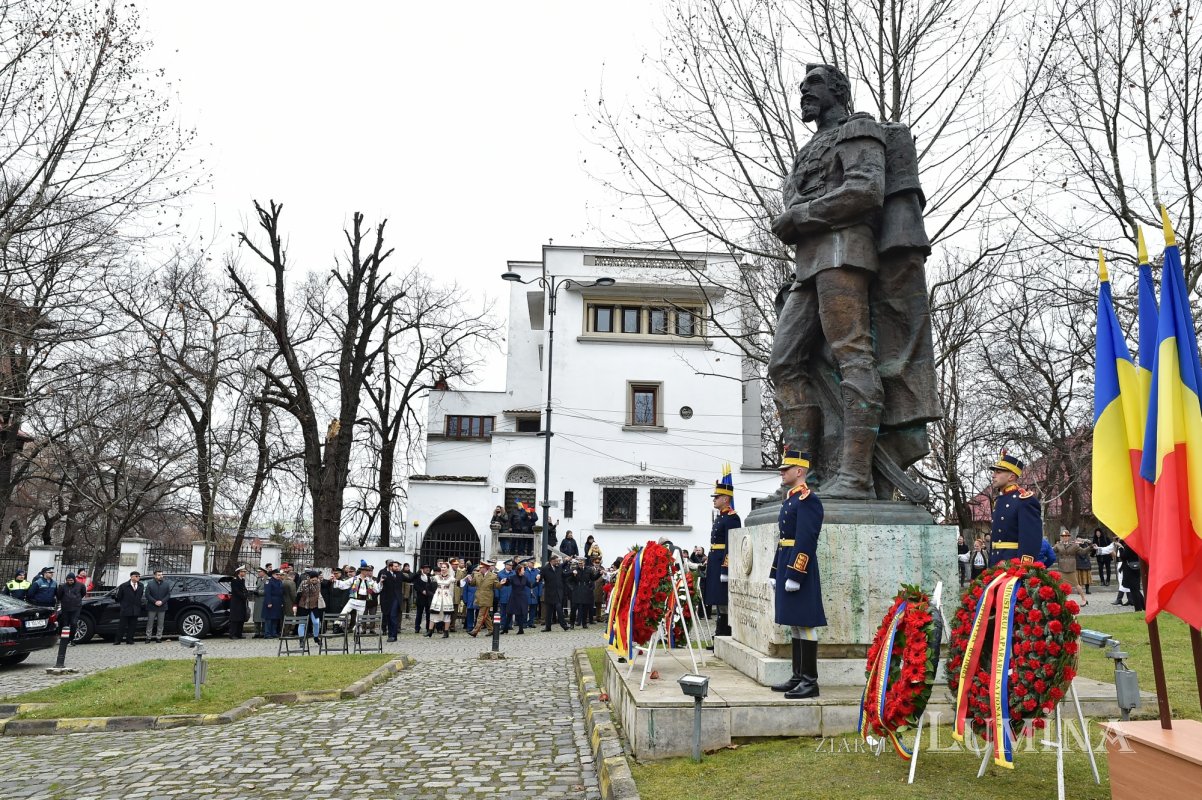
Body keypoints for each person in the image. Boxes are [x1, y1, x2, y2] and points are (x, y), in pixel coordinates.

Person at [769, 63, 938, 500]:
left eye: (814, 85)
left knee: (853, 357)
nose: (804, 92)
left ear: (838, 91)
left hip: (845, 255)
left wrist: (801, 215)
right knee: (784, 364)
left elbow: (865, 189)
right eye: (802, 85)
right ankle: (804, 475)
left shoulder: (858, 129)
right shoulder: (809, 147)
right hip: (809, 265)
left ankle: (856, 477)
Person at [769, 448, 826, 699]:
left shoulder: (808, 499)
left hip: (798, 568)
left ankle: (810, 681)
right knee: (793, 622)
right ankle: (797, 676)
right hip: (786, 564)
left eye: (786, 469)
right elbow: (784, 540)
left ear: (800, 471)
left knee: (806, 622)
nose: (782, 472)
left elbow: (806, 539)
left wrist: (796, 573)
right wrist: (775, 571)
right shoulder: (791, 499)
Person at [705, 466, 741, 640]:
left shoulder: (732, 518)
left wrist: (726, 568)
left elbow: (731, 545)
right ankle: (719, 634)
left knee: (724, 601)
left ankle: (724, 634)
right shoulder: (720, 517)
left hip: (722, 563)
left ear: (726, 499)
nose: (714, 500)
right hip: (714, 561)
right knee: (719, 601)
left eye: (717, 497)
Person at [987, 451, 1041, 566]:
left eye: (998, 472)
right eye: (994, 472)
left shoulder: (1024, 500)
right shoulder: (999, 500)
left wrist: (1024, 568)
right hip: (997, 562)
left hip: (1013, 564)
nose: (993, 475)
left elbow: (1030, 539)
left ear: (1011, 476)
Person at [1053, 529, 1090, 607]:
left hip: (1071, 568)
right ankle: (1061, 600)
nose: (1064, 537)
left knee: (1076, 585)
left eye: (1066, 536)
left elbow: (1082, 552)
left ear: (1069, 537)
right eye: (1063, 536)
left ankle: (1084, 599)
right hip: (1062, 568)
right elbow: (1051, 551)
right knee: (1060, 585)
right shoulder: (1058, 545)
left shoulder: (1074, 545)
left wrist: (1090, 547)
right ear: (1061, 537)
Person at [468, 560, 499, 637]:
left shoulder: (493, 576)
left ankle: (475, 631)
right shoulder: (477, 575)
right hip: (478, 597)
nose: (479, 569)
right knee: (486, 615)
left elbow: (497, 586)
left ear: (486, 568)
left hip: (487, 598)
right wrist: (470, 581)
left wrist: (502, 583)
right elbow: (472, 584)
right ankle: (491, 630)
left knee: (481, 615)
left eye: (481, 567)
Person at [378, 560, 406, 642]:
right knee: (389, 616)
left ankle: (393, 635)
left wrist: (418, 573)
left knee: (393, 616)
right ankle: (391, 635)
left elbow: (409, 579)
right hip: (387, 599)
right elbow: (379, 585)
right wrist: (381, 581)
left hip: (396, 599)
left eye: (398, 566)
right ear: (390, 567)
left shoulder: (400, 574)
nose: (397, 568)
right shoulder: (385, 574)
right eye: (395, 566)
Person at [55, 572, 86, 644]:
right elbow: (59, 595)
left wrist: (76, 599)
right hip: (65, 607)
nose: (70, 582)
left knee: (74, 623)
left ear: (74, 580)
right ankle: (64, 639)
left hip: (76, 607)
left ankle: (71, 639)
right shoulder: (62, 586)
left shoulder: (80, 585)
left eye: (71, 580)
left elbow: (83, 593)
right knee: (65, 623)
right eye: (68, 580)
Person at [114, 571, 144, 645]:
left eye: (139, 576)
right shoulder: (124, 585)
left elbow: (140, 596)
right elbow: (119, 597)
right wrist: (124, 604)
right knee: (122, 625)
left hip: (135, 608)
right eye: (136, 576)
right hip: (126, 608)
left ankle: (130, 639)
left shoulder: (141, 585)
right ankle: (118, 640)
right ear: (131, 577)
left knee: (133, 625)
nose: (138, 578)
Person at [541, 554, 569, 631]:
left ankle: (564, 625)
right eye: (556, 561)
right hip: (549, 594)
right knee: (549, 612)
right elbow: (540, 577)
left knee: (559, 609)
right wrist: (537, 579)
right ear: (551, 561)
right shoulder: (545, 569)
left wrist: (572, 573)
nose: (557, 562)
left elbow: (564, 572)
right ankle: (548, 627)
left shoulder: (558, 567)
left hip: (557, 593)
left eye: (558, 561)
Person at [143, 571, 171, 643]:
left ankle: (159, 637)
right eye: (159, 575)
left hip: (162, 606)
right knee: (150, 622)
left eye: (161, 575)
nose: (161, 576)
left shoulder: (166, 584)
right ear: (155, 576)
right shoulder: (150, 584)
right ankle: (148, 637)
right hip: (152, 606)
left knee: (160, 623)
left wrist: (162, 601)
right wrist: (155, 601)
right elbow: (147, 595)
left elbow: (168, 595)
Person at [568, 558, 596, 629]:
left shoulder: (588, 570)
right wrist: (572, 588)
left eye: (581, 563)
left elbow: (593, 578)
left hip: (585, 590)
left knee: (585, 608)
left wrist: (599, 573)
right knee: (574, 608)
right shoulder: (574, 570)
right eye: (579, 563)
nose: (580, 564)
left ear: (584, 563)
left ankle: (584, 623)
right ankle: (572, 623)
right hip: (576, 590)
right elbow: (568, 581)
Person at [297, 570, 324, 640]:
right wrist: (295, 604)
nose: (314, 579)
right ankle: (301, 639)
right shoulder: (304, 583)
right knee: (302, 623)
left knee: (316, 622)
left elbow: (316, 591)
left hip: (314, 606)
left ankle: (316, 637)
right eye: (313, 578)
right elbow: (298, 592)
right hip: (303, 606)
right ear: (309, 577)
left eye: (316, 578)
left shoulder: (318, 583)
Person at [506, 563, 530, 634]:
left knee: (520, 614)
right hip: (514, 597)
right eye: (523, 570)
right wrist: (505, 581)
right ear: (519, 570)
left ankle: (521, 629)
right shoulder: (513, 577)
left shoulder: (525, 578)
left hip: (522, 598)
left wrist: (538, 580)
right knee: (509, 613)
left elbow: (530, 585)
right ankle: (505, 628)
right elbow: (507, 584)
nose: (524, 571)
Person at [412, 563, 435, 634]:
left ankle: (428, 628)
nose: (427, 569)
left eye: (428, 568)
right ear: (422, 569)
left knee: (429, 613)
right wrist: (422, 590)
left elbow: (433, 586)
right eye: (425, 568)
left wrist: (430, 592)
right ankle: (417, 627)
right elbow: (416, 586)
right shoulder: (418, 577)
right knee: (419, 613)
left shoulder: (430, 577)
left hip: (429, 598)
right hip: (421, 597)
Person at [262, 569, 285, 638]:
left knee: (275, 618)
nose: (278, 576)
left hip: (277, 602)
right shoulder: (269, 581)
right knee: (269, 618)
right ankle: (267, 633)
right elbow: (267, 593)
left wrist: (281, 602)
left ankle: (274, 632)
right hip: (271, 601)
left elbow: (281, 593)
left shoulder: (279, 581)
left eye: (279, 575)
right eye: (277, 575)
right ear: (273, 575)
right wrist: (269, 602)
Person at [228, 566, 249, 639]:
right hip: (236, 602)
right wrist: (243, 596)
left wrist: (246, 594)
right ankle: (232, 634)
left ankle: (239, 634)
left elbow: (244, 589)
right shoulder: (234, 580)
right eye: (243, 572)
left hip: (242, 602)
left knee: (241, 618)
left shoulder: (242, 580)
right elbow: (236, 591)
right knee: (235, 619)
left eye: (245, 572)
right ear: (239, 572)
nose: (245, 573)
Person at [496, 559, 515, 632]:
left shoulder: (514, 573)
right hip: (503, 594)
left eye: (511, 565)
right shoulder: (500, 574)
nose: (511, 566)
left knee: (510, 611)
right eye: (509, 565)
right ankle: (503, 624)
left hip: (511, 594)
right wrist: (497, 595)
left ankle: (509, 624)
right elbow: (497, 585)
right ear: (506, 565)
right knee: (503, 611)